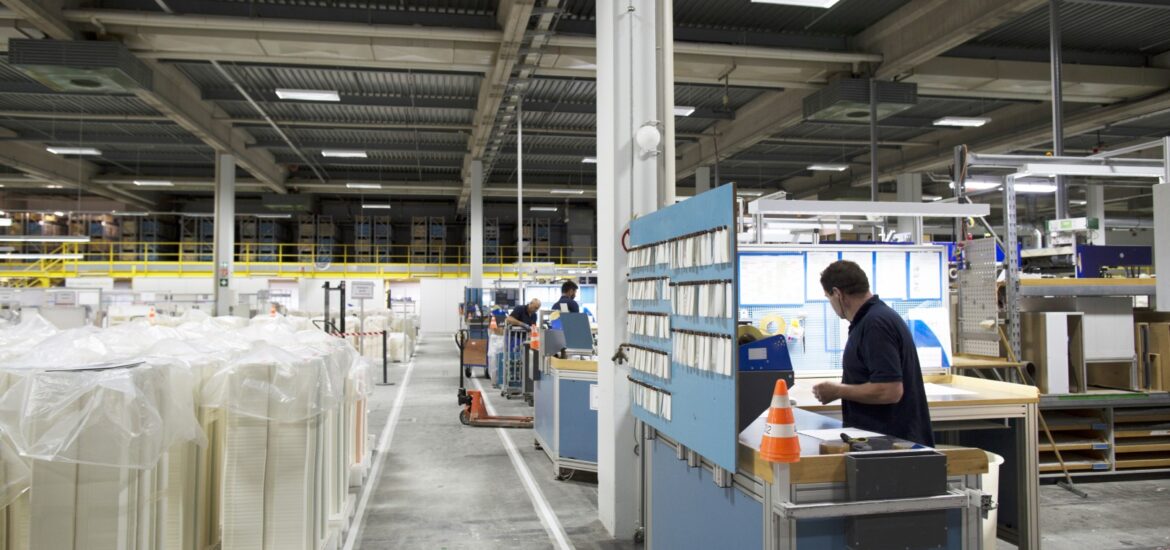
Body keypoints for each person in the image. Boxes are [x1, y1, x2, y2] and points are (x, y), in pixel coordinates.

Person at [811, 260, 934, 446]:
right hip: (885, 444)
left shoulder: (875, 325)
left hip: (894, 449)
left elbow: (890, 390)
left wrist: (837, 390)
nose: (831, 304)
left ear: (837, 294)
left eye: (828, 297)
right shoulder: (872, 319)